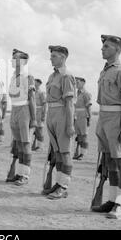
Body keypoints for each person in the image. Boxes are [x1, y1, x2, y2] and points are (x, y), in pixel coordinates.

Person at [91, 35, 121, 220]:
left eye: (106, 46)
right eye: (103, 46)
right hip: (103, 117)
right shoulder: (104, 71)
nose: (102, 49)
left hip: (117, 118)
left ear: (117, 49)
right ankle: (112, 199)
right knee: (109, 162)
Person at [44, 46, 76, 200]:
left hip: (62, 114)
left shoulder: (66, 76)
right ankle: (58, 183)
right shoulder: (52, 76)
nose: (51, 58)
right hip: (51, 114)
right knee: (57, 153)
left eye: (54, 56)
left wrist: (70, 125)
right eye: (51, 56)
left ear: (63, 58)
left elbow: (69, 103)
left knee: (65, 152)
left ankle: (64, 186)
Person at [6, 49, 36, 186]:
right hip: (14, 110)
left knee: (25, 144)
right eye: (12, 58)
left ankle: (25, 175)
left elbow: (32, 98)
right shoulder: (13, 76)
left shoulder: (27, 76)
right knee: (18, 145)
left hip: (24, 110)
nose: (13, 60)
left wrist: (34, 118)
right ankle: (19, 172)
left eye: (16, 58)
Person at [73, 77, 92, 160]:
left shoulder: (86, 93)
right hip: (76, 116)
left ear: (83, 83)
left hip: (84, 116)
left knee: (84, 136)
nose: (76, 84)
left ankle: (83, 154)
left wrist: (89, 118)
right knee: (79, 136)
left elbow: (89, 107)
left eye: (78, 82)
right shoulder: (76, 93)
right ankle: (78, 153)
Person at [32, 78, 46, 152]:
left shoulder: (41, 92)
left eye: (35, 82)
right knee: (35, 130)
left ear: (39, 83)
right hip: (34, 112)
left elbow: (44, 104)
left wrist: (43, 115)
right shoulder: (33, 92)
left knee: (39, 129)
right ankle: (36, 145)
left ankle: (40, 146)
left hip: (39, 112)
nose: (34, 83)